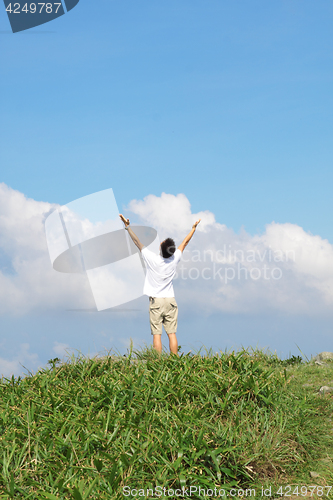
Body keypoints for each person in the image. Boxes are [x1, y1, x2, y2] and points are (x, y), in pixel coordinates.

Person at [119, 214, 201, 355]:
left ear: (160, 248)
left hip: (156, 301)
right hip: (170, 301)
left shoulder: (152, 259)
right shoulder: (174, 259)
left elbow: (137, 242)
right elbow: (185, 242)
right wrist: (193, 229)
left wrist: (127, 226)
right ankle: (175, 361)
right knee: (172, 333)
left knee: (157, 334)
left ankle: (157, 363)